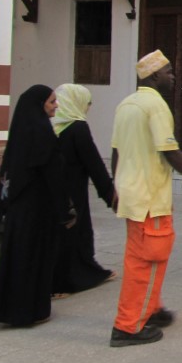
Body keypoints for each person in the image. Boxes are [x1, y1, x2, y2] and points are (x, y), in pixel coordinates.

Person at [109, 50, 182, 347]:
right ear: (154, 76)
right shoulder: (155, 106)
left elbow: (116, 151)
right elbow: (169, 151)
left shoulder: (126, 104)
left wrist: (115, 186)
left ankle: (151, 310)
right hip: (149, 199)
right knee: (147, 262)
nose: (173, 76)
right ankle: (128, 327)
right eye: (168, 71)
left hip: (132, 196)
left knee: (142, 258)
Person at [0, 85, 75, 327]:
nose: (56, 106)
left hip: (18, 209)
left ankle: (10, 309)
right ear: (39, 105)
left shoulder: (21, 133)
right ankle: (29, 311)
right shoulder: (42, 133)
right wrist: (65, 211)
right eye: (52, 101)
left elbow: (8, 174)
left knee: (17, 258)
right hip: (38, 211)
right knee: (34, 260)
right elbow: (54, 176)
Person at [51, 83, 117, 296]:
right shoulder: (78, 128)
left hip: (52, 191)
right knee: (77, 234)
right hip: (73, 192)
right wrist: (110, 194)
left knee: (57, 236)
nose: (88, 108)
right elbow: (93, 163)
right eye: (87, 103)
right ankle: (70, 282)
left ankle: (56, 282)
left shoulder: (50, 126)